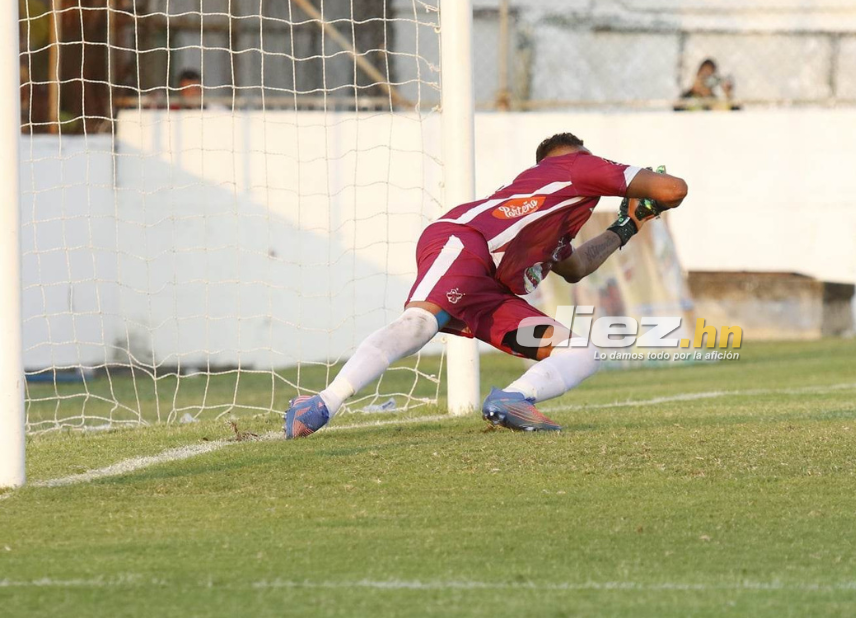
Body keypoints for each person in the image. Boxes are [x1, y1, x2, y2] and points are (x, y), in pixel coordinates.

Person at [284, 132, 688, 437]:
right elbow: (673, 189)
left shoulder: (555, 218)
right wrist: (648, 189)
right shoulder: (576, 165)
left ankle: (513, 398)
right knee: (419, 324)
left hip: (489, 289)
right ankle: (321, 403)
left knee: (582, 352)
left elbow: (576, 266)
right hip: (463, 240)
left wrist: (626, 226)